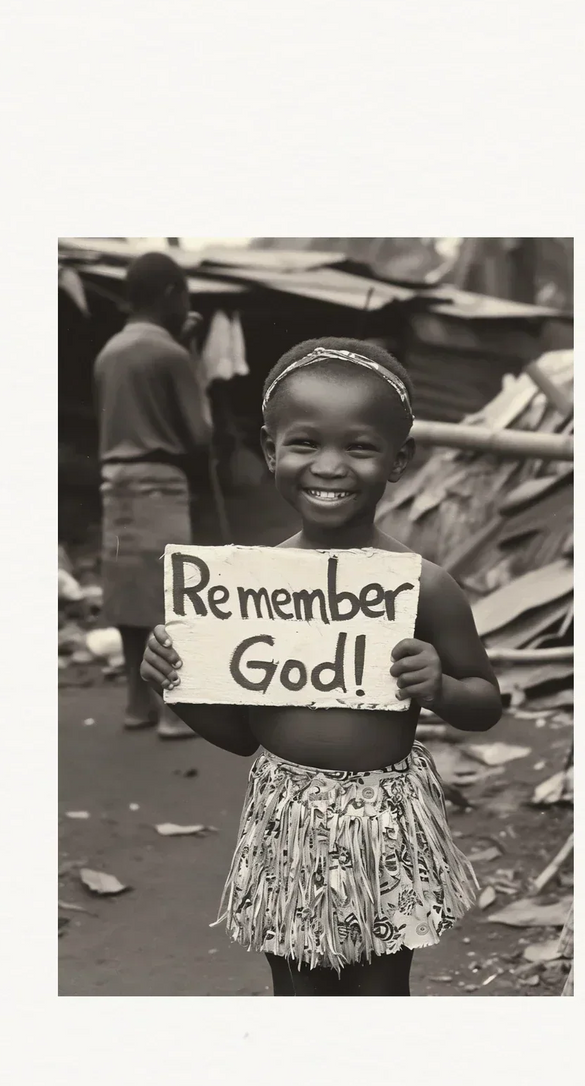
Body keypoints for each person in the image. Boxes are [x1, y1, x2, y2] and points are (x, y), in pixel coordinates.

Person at [140, 337, 503, 994]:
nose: (329, 466)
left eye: (359, 447)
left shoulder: (424, 587)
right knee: (298, 990)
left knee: (380, 990)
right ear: (269, 448)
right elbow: (244, 734)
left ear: (398, 460)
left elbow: (486, 701)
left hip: (384, 821)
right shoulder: (246, 591)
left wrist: (443, 687)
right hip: (286, 817)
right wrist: (176, 686)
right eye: (305, 443)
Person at [94, 251, 210, 739]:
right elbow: (200, 434)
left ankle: (136, 704)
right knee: (172, 593)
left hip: (116, 493)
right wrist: (191, 353)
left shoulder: (109, 352)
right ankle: (172, 710)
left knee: (127, 592)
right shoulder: (170, 354)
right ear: (171, 296)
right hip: (160, 488)